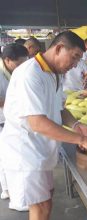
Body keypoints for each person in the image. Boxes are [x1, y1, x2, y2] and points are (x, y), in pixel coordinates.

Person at [0, 31, 87, 220]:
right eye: (74, 57)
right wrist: (82, 140)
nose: (76, 64)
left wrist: (76, 124)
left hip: (42, 151)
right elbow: (37, 122)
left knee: (46, 200)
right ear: (59, 48)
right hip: (26, 153)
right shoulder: (30, 74)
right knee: (41, 207)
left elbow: (59, 108)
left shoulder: (54, 74)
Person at [0, 43, 28, 211]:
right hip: (2, 121)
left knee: (11, 158)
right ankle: (7, 190)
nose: (21, 68)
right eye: (18, 64)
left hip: (11, 121)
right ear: (7, 60)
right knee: (4, 160)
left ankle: (10, 190)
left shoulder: (11, 71)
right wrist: (17, 103)